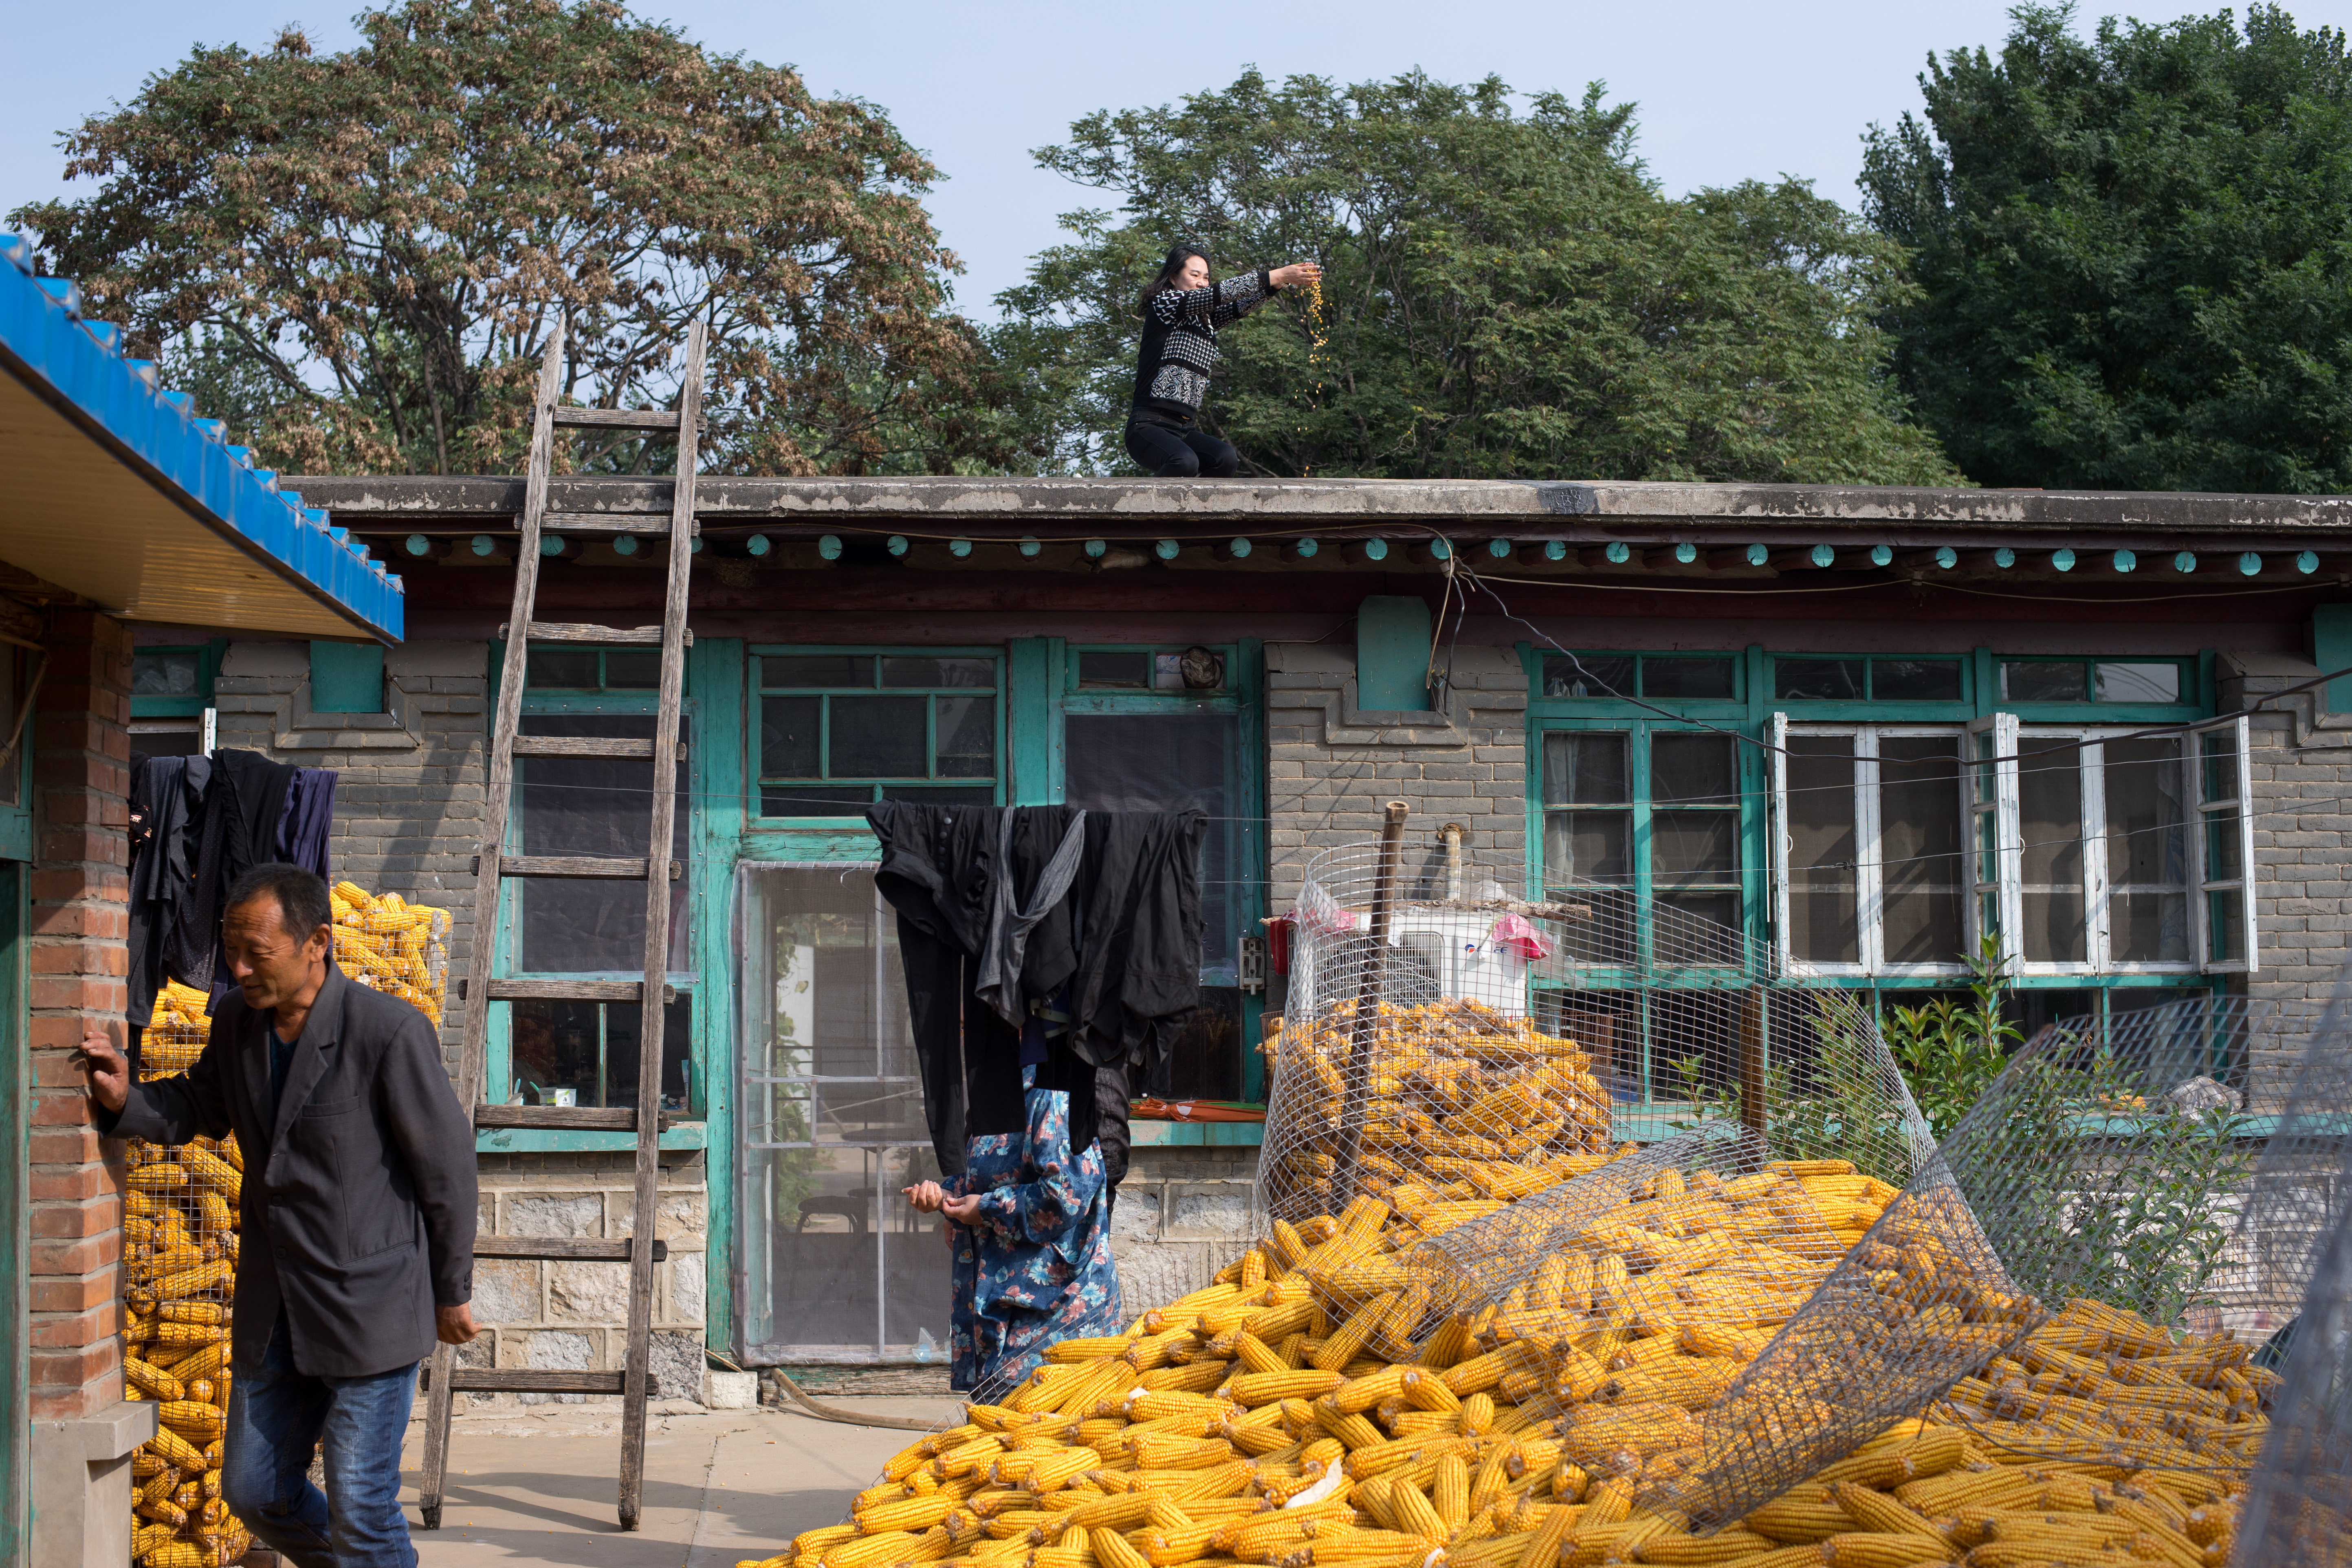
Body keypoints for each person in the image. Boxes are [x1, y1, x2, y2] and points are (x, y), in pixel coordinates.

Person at [83, 863, 478, 1568]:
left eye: (255, 954)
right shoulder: (237, 1021)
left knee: (363, 1507)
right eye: (231, 949)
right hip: (276, 1307)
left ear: (315, 941)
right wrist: (125, 1099)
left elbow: (446, 1171)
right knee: (255, 1490)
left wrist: (452, 1289)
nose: (237, 968)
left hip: (370, 1307)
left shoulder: (385, 1032)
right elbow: (199, 1106)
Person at [903, 1059, 1121, 1396]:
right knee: (1001, 1431)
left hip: (1054, 1304)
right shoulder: (995, 1084)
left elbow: (1067, 1193)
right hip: (1002, 1301)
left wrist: (987, 1210)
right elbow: (994, 1170)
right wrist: (952, 1200)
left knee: (1040, 1432)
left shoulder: (1055, 1085)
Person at [1126, 244, 1322, 478]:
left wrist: (1278, 284)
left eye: (1206, 277)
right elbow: (1220, 293)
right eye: (1194, 275)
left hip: (1182, 428)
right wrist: (1277, 274)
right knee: (1184, 462)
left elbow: (1239, 307)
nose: (1202, 282)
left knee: (1225, 459)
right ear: (1172, 277)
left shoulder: (1203, 321)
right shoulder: (1165, 304)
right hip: (1147, 425)